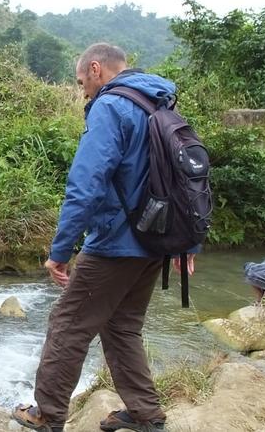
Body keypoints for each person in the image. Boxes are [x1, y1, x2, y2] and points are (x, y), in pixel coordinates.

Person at [11, 43, 195, 432]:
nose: (82, 91)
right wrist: (186, 244)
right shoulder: (162, 105)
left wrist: (60, 251)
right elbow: (188, 180)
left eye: (81, 82)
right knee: (122, 326)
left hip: (116, 243)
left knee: (68, 324)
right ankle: (146, 415)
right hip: (155, 244)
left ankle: (47, 414)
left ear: (96, 69)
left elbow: (85, 184)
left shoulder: (111, 106)